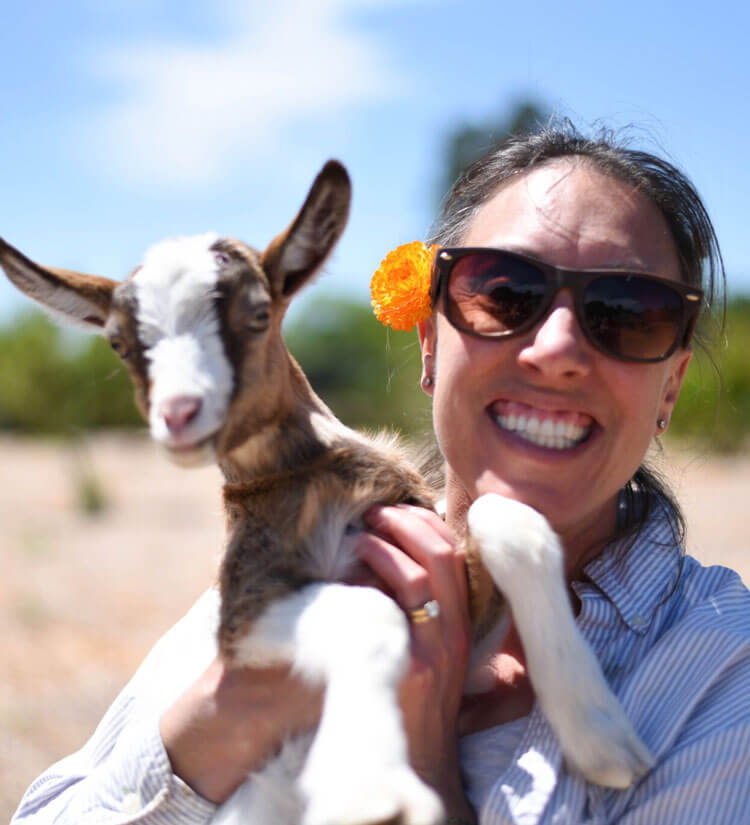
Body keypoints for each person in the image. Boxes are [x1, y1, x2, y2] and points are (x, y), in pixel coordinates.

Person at [12, 124, 750, 824]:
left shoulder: (720, 670)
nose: (555, 348)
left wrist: (425, 764)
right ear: (429, 342)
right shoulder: (298, 560)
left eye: (629, 312)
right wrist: (233, 708)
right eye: (504, 292)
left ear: (672, 387)